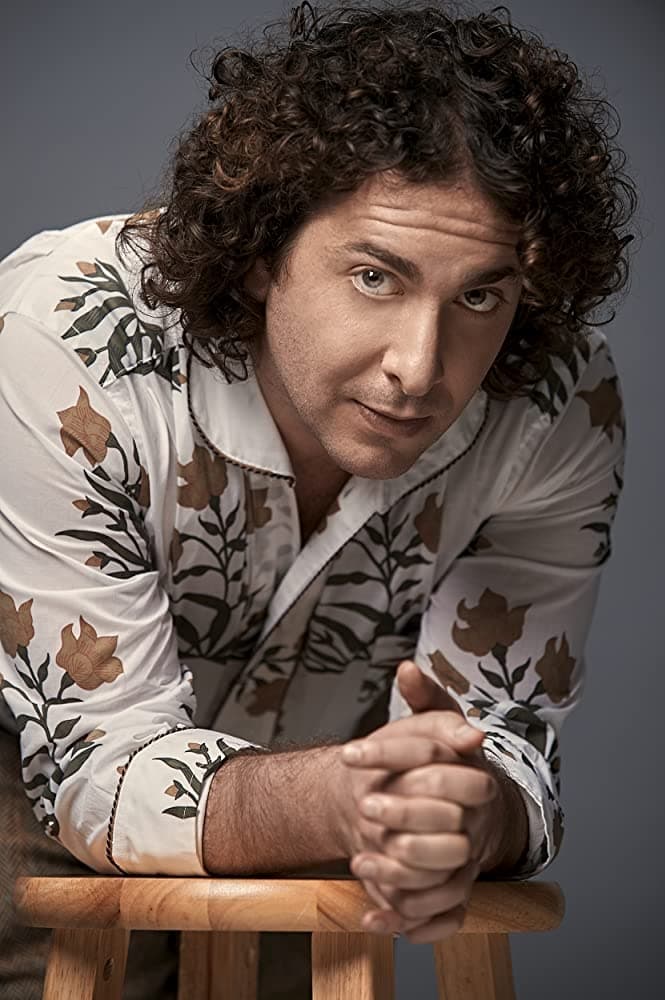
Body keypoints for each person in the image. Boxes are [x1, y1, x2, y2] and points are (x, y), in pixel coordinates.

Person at [0, 1, 636, 996]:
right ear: (263, 251)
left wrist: (461, 810)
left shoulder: (555, 401)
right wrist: (347, 797)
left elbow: (509, 739)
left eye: (478, 295)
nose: (418, 367)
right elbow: (97, 766)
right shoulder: (63, 332)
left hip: (317, 794)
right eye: (375, 277)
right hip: (33, 768)